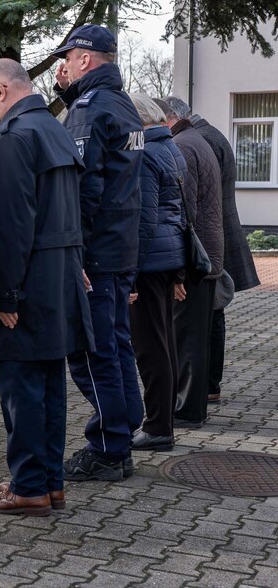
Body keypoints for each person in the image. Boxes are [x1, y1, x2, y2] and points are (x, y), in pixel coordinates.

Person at [0, 59, 93, 517]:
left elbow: (9, 223)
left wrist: (4, 293)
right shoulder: (55, 129)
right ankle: (50, 483)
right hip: (58, 275)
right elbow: (73, 208)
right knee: (49, 384)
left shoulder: (14, 136)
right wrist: (76, 263)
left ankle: (27, 487)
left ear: (1, 90)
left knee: (22, 388)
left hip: (27, 281)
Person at [51, 24, 145, 481]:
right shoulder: (121, 105)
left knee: (91, 352)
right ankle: (123, 433)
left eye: (68, 58)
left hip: (96, 255)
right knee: (115, 345)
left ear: (85, 59)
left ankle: (108, 447)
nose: (65, 67)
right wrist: (69, 98)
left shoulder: (90, 110)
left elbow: (85, 189)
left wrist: (77, 254)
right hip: (121, 248)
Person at [156, 97, 223, 428]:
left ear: (166, 119)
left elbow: (185, 211)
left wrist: (179, 272)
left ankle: (186, 410)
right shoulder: (196, 139)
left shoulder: (181, 145)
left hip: (194, 258)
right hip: (206, 254)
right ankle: (192, 407)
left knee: (186, 338)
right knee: (195, 335)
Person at [127, 94, 188, 452]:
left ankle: (158, 426)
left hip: (150, 261)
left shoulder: (146, 153)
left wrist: (131, 272)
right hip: (168, 256)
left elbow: (144, 220)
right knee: (164, 342)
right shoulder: (170, 148)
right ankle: (163, 420)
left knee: (150, 347)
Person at [187, 108, 260, 402]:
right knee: (215, 312)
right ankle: (211, 384)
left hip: (211, 238)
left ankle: (209, 384)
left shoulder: (201, 140)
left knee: (213, 313)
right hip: (220, 233)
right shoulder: (212, 135)